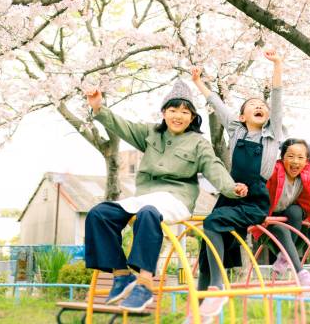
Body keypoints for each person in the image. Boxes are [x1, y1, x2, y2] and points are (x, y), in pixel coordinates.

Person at [83, 80, 247, 313]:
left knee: (148, 213)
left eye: (185, 112)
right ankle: (121, 275)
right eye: (173, 110)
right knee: (100, 213)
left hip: (176, 199)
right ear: (164, 113)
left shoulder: (198, 143)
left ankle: (146, 282)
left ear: (192, 117)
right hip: (146, 195)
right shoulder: (150, 134)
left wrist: (232, 188)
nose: (178, 116)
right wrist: (98, 107)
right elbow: (122, 126)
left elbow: (214, 168)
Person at [190, 49, 284, 318]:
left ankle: (218, 286)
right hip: (231, 193)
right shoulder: (236, 130)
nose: (260, 107)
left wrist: (277, 65)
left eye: (262, 107)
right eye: (253, 105)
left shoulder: (272, 134)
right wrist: (199, 83)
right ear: (241, 116)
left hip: (254, 197)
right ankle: (200, 311)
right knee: (207, 241)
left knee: (212, 223)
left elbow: (276, 98)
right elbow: (216, 104)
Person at [253, 138, 310, 286]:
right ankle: (300, 272)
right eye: (290, 156)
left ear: (306, 161)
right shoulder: (274, 171)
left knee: (296, 211)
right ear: (282, 158)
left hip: (289, 220)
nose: (295, 162)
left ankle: (284, 258)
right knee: (282, 229)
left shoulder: (306, 173)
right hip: (267, 220)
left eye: (300, 157)